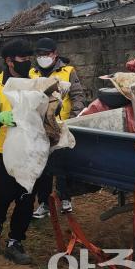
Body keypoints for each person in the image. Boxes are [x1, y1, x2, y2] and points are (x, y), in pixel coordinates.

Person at [0, 38, 42, 264]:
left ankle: (15, 241)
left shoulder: (35, 82)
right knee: (3, 193)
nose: (28, 63)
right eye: (23, 59)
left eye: (29, 58)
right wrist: (0, 118)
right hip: (0, 150)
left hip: (29, 149)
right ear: (9, 61)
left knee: (26, 196)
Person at [31, 37, 85, 218]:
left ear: (55, 54)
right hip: (39, 127)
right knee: (43, 167)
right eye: (39, 54)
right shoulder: (32, 73)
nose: (43, 57)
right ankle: (45, 203)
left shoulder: (68, 71)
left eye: (46, 54)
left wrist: (73, 118)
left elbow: (77, 95)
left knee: (62, 165)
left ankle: (65, 198)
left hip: (62, 125)